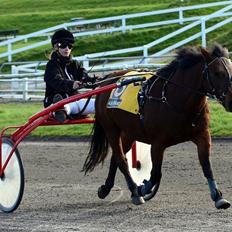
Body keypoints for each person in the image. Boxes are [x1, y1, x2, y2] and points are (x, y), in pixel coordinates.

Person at [43, 29, 96, 122]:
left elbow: (83, 76)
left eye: (70, 46)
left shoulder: (75, 64)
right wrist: (72, 84)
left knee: (100, 104)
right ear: (56, 47)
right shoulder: (52, 65)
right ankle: (60, 111)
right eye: (63, 45)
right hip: (54, 100)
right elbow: (56, 81)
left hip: (75, 100)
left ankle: (63, 111)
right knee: (64, 105)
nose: (67, 48)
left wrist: (93, 80)